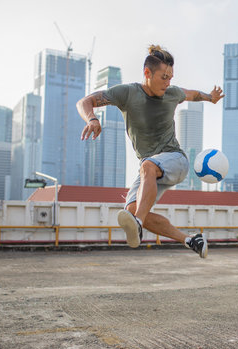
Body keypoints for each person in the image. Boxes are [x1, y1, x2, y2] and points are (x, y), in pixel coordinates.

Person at [76, 44, 224, 258]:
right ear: (147, 73)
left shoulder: (172, 93)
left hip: (175, 160)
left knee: (147, 170)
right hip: (150, 168)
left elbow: (192, 94)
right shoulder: (127, 93)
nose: (168, 83)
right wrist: (91, 118)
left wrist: (211, 97)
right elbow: (85, 101)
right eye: (164, 77)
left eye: (171, 77)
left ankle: (138, 223)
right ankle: (190, 239)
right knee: (131, 210)